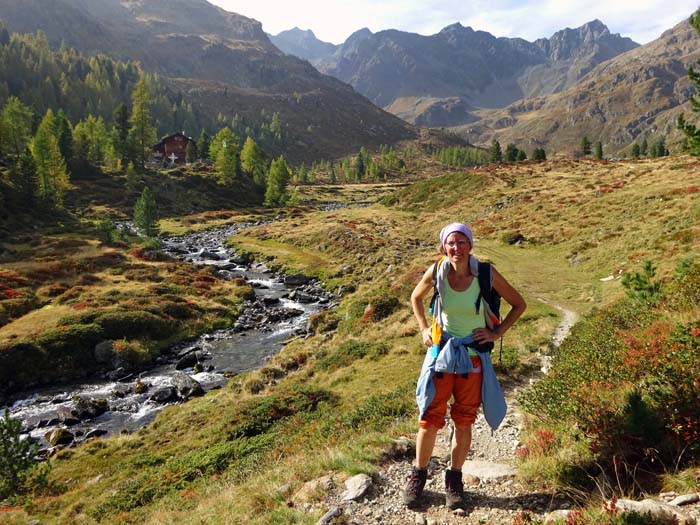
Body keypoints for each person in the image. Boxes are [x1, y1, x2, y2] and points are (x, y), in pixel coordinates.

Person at [403, 222, 526, 508]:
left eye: (461, 242)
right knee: (430, 416)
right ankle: (418, 475)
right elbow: (415, 298)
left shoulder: (485, 273)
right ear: (443, 247)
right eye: (450, 243)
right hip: (442, 352)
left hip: (472, 356)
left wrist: (496, 333)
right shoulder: (437, 272)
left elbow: (519, 304)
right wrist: (424, 328)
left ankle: (454, 480)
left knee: (464, 419)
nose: (455, 248)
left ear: (470, 245)